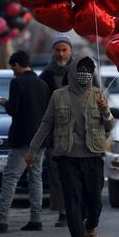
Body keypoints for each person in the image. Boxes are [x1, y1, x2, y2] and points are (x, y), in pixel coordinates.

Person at [27, 57, 113, 237]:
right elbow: (46, 124)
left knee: (95, 202)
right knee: (72, 200)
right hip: (67, 158)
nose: (84, 74)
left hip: (93, 156)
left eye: (88, 70)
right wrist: (32, 151)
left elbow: (110, 125)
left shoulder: (98, 95)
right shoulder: (59, 96)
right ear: (73, 72)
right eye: (81, 70)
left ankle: (90, 227)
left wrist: (105, 110)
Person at [0, 51, 51, 233]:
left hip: (22, 141)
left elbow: (14, 110)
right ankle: (36, 219)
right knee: (35, 178)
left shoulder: (17, 82)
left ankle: (1, 219)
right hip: (39, 140)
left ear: (17, 65)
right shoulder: (42, 84)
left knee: (10, 178)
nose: (12, 71)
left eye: (12, 67)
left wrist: (4, 103)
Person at [38, 35, 73, 226]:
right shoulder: (45, 76)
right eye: (58, 50)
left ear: (70, 51)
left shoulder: (81, 72)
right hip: (55, 135)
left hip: (79, 134)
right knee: (57, 175)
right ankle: (63, 212)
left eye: (64, 50)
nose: (61, 54)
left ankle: (78, 209)